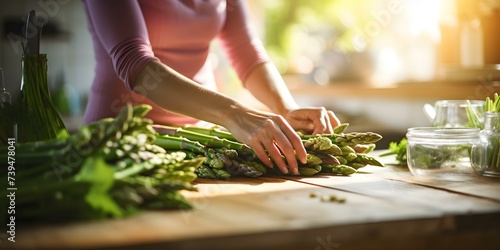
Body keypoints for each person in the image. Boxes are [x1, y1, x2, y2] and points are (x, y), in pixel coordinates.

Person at [82, 0, 341, 175]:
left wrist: (286, 108)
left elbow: (246, 53)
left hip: (204, 144)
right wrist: (233, 114)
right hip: (122, 139)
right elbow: (135, 63)